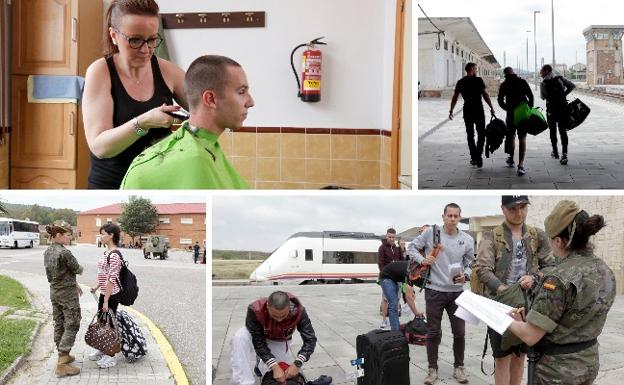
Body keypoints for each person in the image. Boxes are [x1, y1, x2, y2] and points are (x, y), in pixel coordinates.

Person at [507, 200, 616, 385]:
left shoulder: (558, 278)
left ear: (558, 241)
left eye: (550, 240)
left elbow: (530, 336)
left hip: (557, 371)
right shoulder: (605, 269)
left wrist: (504, 320)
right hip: (588, 362)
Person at [82, 0, 188, 189]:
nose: (146, 49)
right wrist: (144, 122)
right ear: (113, 35)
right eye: (135, 40)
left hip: (156, 184)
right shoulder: (100, 72)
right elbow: (100, 147)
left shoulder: (169, 71)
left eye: (152, 39)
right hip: (111, 187)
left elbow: (204, 109)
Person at [120, 55, 253, 189]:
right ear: (210, 99)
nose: (251, 102)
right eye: (241, 92)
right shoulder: (194, 159)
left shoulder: (208, 148)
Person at [475, 195, 555, 385]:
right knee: (502, 358)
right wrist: (504, 290)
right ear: (503, 209)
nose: (519, 213)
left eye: (523, 207)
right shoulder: (492, 236)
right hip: (499, 304)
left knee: (520, 357)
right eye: (513, 208)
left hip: (528, 304)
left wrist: (534, 278)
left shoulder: (537, 235)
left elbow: (550, 266)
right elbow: (482, 269)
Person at [408, 203, 474, 385]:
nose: (452, 219)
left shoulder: (467, 239)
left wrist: (466, 274)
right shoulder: (431, 233)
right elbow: (411, 247)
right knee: (433, 332)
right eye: (449, 215)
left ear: (460, 218)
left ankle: (459, 368)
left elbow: (470, 262)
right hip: (434, 291)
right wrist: (423, 259)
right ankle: (432, 369)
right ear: (443, 216)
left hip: (457, 293)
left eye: (456, 216)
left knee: (460, 332)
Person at [230, 291, 317, 385]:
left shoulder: (299, 311)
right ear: (268, 306)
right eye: (275, 316)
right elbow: (258, 341)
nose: (279, 320)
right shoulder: (255, 309)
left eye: (283, 316)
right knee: (240, 337)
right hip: (258, 335)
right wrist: (274, 366)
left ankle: (260, 364)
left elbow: (310, 339)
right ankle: (243, 382)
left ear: (289, 307)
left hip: (278, 339)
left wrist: (297, 363)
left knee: (280, 374)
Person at [44, 222, 83, 377]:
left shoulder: (47, 251)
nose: (70, 237)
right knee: (72, 323)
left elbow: (52, 275)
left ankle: (63, 355)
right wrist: (76, 276)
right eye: (67, 235)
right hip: (67, 295)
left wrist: (74, 283)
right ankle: (61, 363)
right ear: (58, 235)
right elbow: (77, 269)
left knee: (59, 323)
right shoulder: (64, 253)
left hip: (54, 292)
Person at [88, 223, 123, 368]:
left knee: (110, 325)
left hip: (111, 295)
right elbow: (104, 273)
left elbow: (112, 278)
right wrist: (96, 287)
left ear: (111, 235)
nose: (100, 236)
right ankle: (103, 348)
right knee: (102, 323)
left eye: (103, 234)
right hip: (104, 293)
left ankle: (111, 356)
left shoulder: (115, 255)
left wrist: (106, 300)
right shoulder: (106, 253)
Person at [449, 63, 496, 168]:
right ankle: (478, 156)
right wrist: (491, 107)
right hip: (478, 109)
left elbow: (455, 97)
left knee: (470, 135)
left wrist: (451, 110)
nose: (477, 70)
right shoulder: (478, 80)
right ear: (471, 69)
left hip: (467, 110)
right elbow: (485, 95)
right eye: (476, 68)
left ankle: (474, 157)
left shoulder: (461, 82)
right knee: (481, 134)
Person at [497, 67, 534, 176]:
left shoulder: (504, 84)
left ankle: (511, 159)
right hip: (522, 113)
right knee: (522, 137)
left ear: (505, 74)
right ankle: (521, 165)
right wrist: (529, 109)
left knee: (511, 136)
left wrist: (507, 108)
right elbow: (530, 96)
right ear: (513, 72)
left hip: (511, 114)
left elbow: (500, 100)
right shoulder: (522, 81)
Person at [540, 64, 575, 165]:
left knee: (553, 131)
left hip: (551, 110)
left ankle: (555, 152)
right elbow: (572, 86)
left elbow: (543, 97)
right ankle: (564, 154)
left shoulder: (544, 83)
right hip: (563, 109)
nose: (540, 73)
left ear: (546, 71)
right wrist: (564, 94)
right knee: (563, 131)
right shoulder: (560, 79)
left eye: (541, 71)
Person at [378, 258, 425, 331]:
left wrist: (412, 292)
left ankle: (396, 327)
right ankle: (395, 332)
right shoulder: (408, 272)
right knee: (393, 303)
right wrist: (416, 312)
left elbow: (409, 289)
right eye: (420, 273)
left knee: (395, 303)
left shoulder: (413, 270)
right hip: (386, 278)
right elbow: (408, 297)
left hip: (395, 279)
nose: (419, 275)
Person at [378, 228, 404, 329]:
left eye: (393, 237)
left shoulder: (398, 249)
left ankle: (395, 323)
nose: (391, 239)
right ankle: (387, 323)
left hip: (397, 279)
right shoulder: (382, 248)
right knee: (388, 300)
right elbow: (381, 264)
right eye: (390, 237)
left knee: (396, 301)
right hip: (387, 278)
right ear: (386, 236)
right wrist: (386, 274)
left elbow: (402, 261)